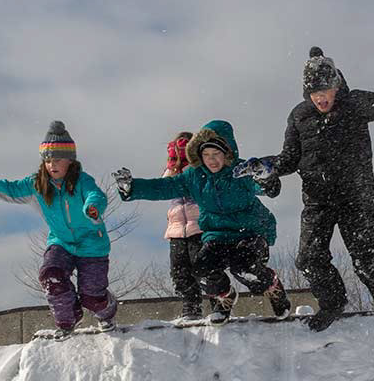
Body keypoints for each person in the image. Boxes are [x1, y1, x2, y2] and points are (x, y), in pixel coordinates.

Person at [237, 47, 374, 341]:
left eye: (325, 90)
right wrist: (267, 166)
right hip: (317, 200)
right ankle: (333, 302)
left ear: (336, 86)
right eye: (314, 93)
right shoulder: (299, 116)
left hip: (355, 198)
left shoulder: (356, 103)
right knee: (308, 259)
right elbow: (289, 159)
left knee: (366, 260)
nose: (321, 98)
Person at [115, 120, 289, 323]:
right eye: (206, 155)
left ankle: (273, 287)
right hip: (218, 234)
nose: (212, 160)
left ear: (228, 153)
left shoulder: (242, 171)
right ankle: (225, 297)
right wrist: (131, 188)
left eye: (216, 154)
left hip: (250, 232)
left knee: (244, 268)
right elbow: (164, 187)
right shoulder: (194, 176)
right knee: (201, 271)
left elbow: (271, 190)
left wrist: (265, 176)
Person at [0, 122, 117, 335]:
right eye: (47, 160)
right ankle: (68, 320)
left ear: (70, 161)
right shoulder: (37, 184)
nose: (51, 165)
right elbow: (9, 188)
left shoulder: (82, 180)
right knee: (50, 275)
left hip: (92, 244)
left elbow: (96, 195)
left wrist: (93, 208)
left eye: (57, 160)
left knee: (92, 297)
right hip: (61, 242)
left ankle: (105, 311)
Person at [162, 132, 207, 321]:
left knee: (202, 266)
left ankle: (219, 301)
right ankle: (191, 305)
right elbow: (163, 186)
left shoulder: (201, 171)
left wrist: (192, 164)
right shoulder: (170, 173)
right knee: (178, 270)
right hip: (176, 230)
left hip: (199, 226)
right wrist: (173, 165)